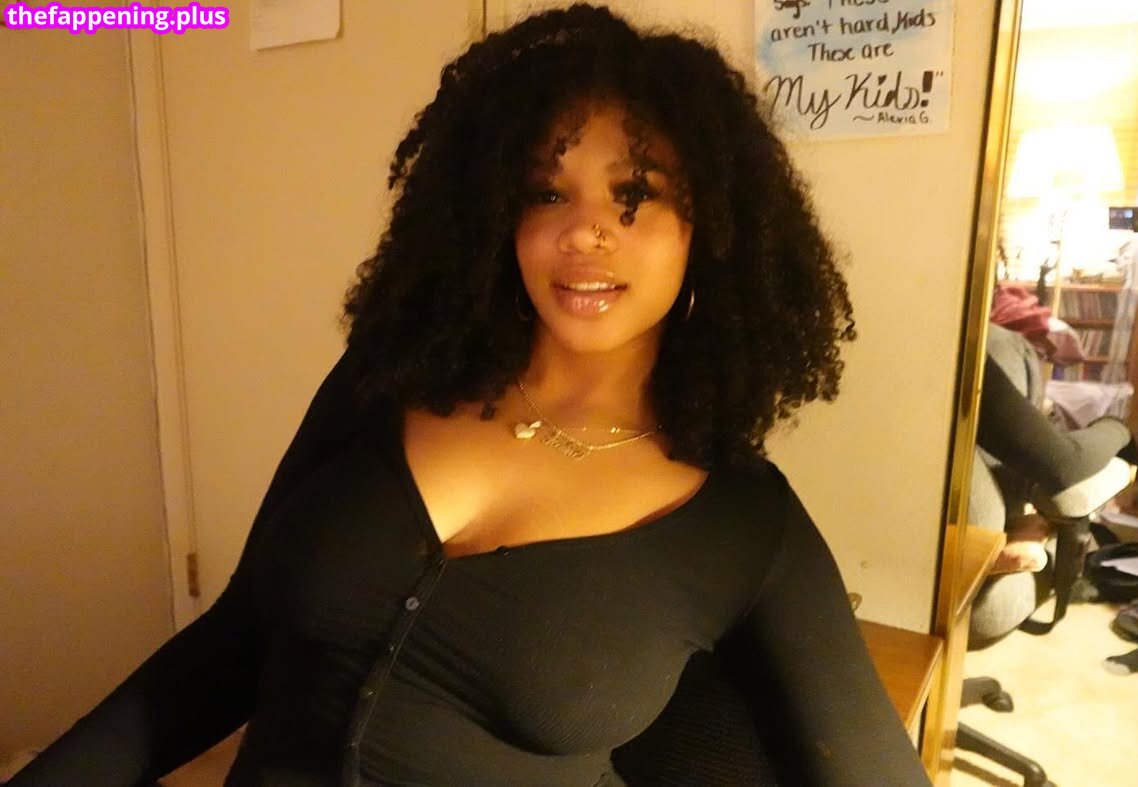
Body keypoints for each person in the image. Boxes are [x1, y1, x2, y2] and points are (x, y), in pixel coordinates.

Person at [9, 5, 929, 785]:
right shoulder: (388, 380)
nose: (584, 233)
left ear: (711, 230)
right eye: (546, 194)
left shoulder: (740, 522)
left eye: (634, 194)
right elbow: (233, 641)